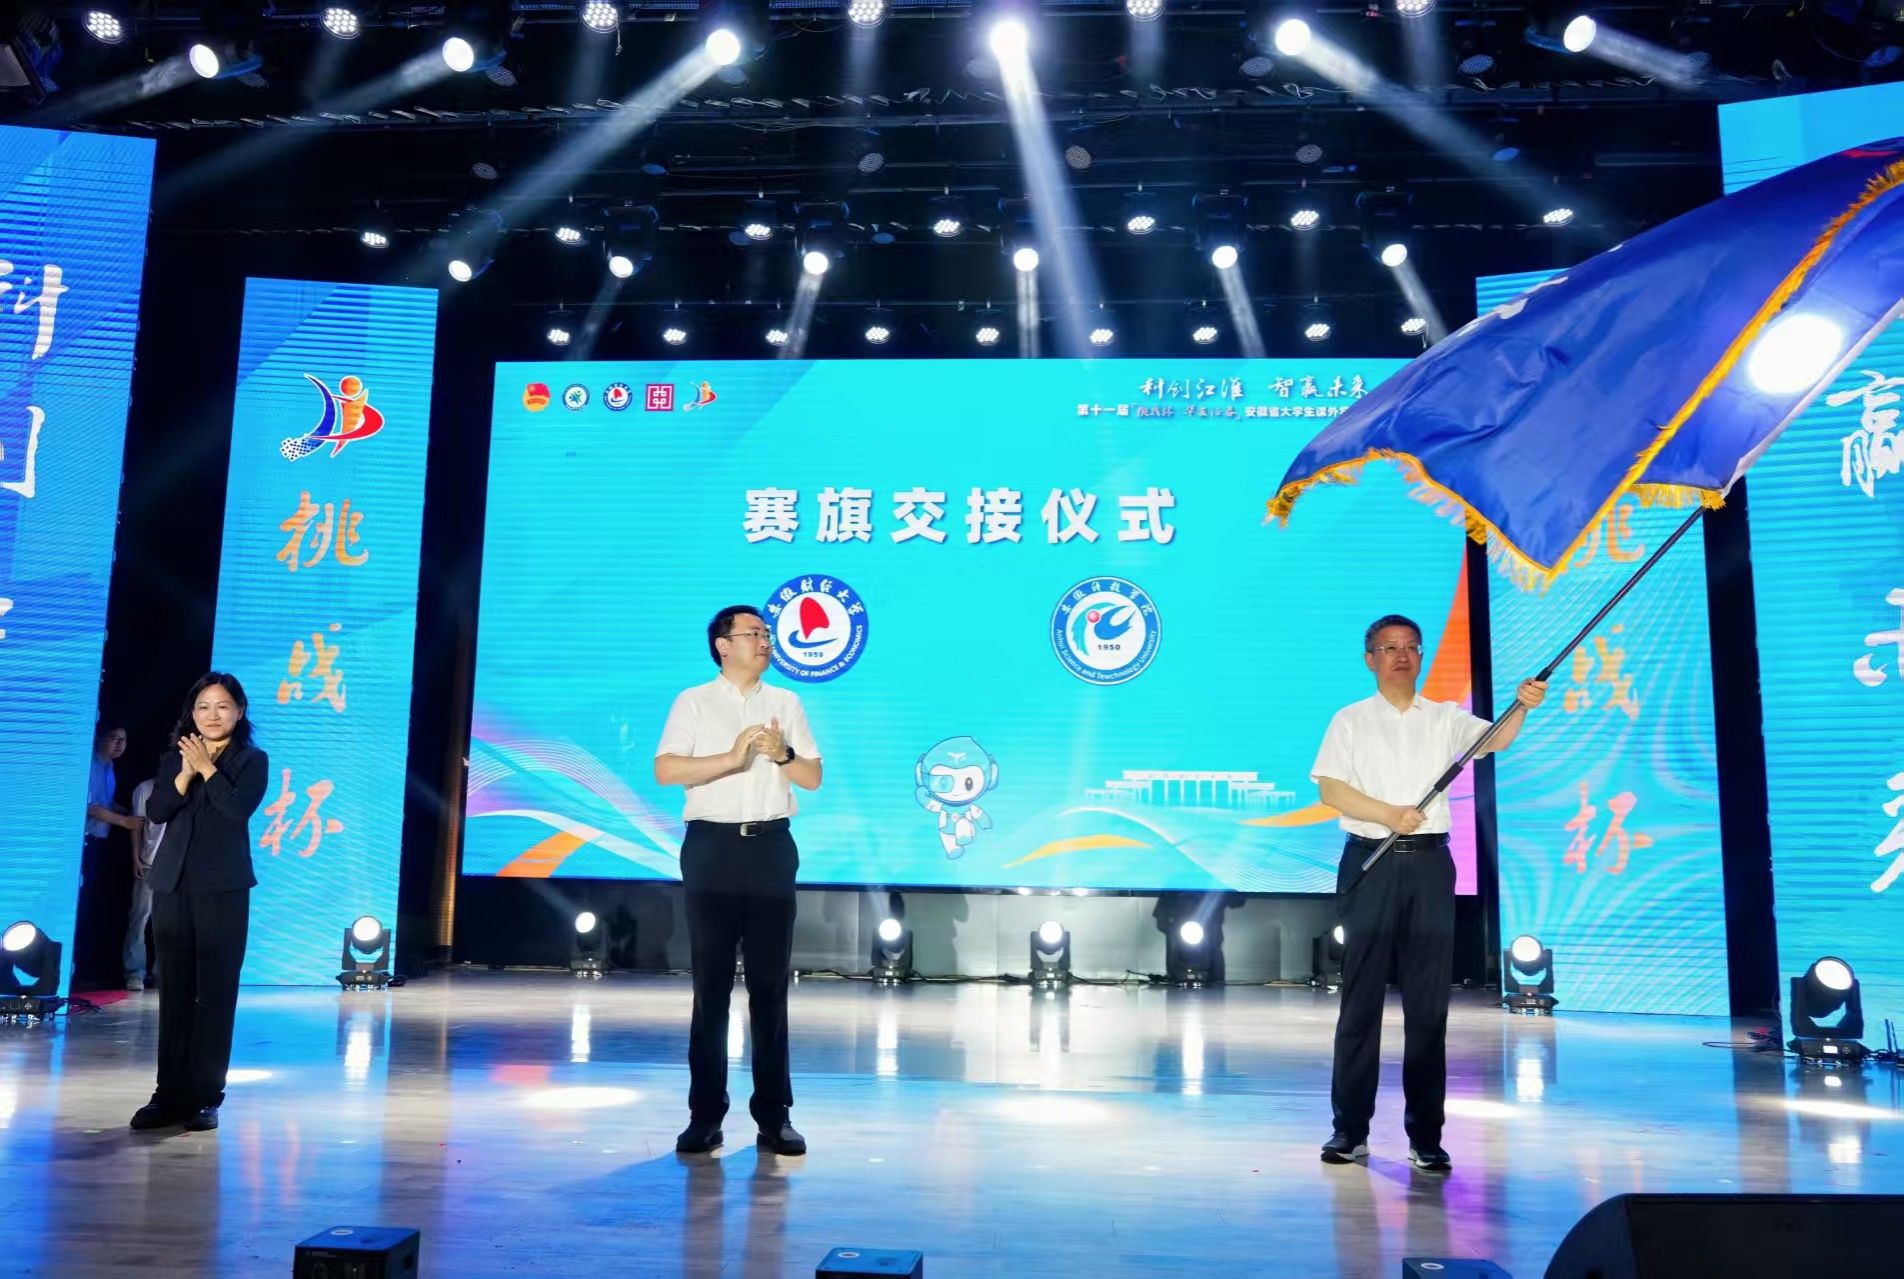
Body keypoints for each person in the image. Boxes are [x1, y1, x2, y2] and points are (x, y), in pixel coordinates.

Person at [1311, 614, 1546, 1173]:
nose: (1400, 655)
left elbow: (1496, 739)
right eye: (1388, 647)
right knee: (1360, 1002)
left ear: (1420, 657)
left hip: (1430, 866)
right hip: (1369, 860)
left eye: (1410, 647)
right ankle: (1350, 1130)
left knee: (1427, 1006)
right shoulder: (1350, 720)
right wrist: (1389, 813)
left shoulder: (1444, 718)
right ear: (1370, 659)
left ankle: (1426, 1137)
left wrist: (1522, 706)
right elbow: (1331, 789)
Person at [655, 605, 822, 1157]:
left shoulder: (786, 703)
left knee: (770, 987)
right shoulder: (693, 701)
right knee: (712, 986)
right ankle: (705, 1116)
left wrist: (783, 754)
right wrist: (732, 757)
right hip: (712, 848)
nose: (765, 640)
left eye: (767, 633)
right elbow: (667, 769)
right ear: (723, 645)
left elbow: (812, 777)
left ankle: (775, 1117)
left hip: (771, 847)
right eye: (753, 633)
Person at [130, 674, 269, 1134]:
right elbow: (157, 811)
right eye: (204, 706)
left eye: (223, 706)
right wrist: (186, 772)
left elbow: (235, 811)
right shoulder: (177, 756)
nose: (212, 714)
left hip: (222, 887)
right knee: (174, 992)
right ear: (192, 712)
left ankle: (205, 1096)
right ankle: (167, 1095)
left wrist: (208, 768)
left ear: (239, 712)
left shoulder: (252, 760)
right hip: (171, 884)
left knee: (215, 993)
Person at [78, 722, 142, 988]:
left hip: (99, 840)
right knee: (82, 904)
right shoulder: (90, 764)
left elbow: (105, 802)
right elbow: (90, 807)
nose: (119, 744)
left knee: (93, 903)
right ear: (99, 738)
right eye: (114, 738)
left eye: (123, 739)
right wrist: (125, 822)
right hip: (84, 842)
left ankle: (86, 966)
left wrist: (126, 811)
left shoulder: (109, 767)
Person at [122, 774, 167, 991]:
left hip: (176, 865)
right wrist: (135, 856)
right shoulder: (145, 788)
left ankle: (163, 971)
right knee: (140, 918)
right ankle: (134, 970)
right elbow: (137, 825)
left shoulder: (190, 786)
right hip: (150, 862)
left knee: (169, 921)